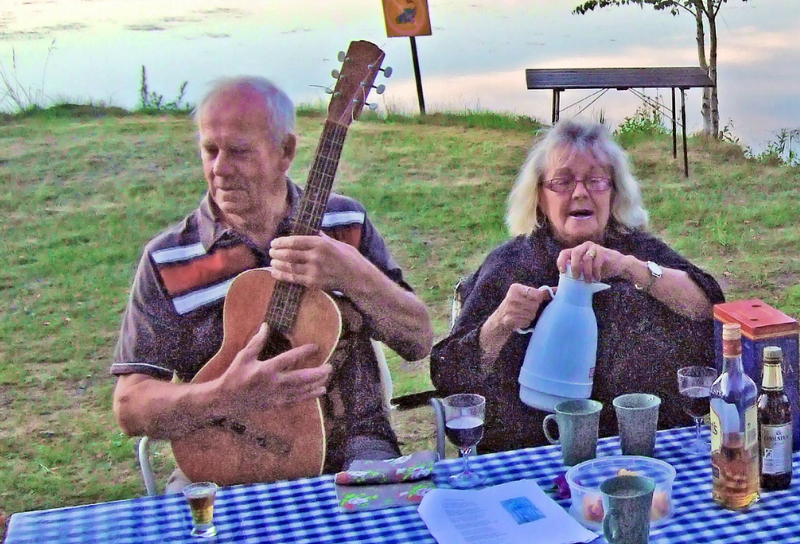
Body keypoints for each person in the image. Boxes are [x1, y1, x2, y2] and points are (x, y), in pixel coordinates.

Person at [112, 76, 433, 487]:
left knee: (381, 523)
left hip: (354, 447)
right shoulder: (169, 259)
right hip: (221, 455)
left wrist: (355, 275)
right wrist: (224, 395)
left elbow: (418, 341)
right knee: (192, 527)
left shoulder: (344, 223)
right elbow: (130, 405)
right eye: (210, 151)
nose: (220, 169)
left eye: (239, 151)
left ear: (286, 151)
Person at [431, 119, 724, 453]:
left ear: (613, 193)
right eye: (562, 182)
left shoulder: (635, 251)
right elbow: (449, 374)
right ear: (539, 197)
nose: (581, 192)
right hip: (534, 451)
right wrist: (500, 323)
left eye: (596, 180)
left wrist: (630, 268)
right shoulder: (510, 265)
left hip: (643, 444)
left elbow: (710, 308)